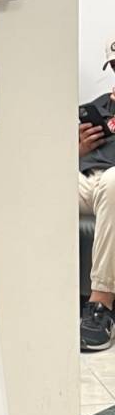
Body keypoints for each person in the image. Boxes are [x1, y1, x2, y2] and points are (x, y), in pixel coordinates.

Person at [79, 39, 115, 351]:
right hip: (85, 179)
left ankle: (101, 307)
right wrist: (77, 149)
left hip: (113, 183)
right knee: (42, 180)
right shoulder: (98, 105)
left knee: (114, 181)